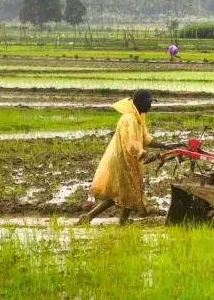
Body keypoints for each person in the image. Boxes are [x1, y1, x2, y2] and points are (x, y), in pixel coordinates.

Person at [77, 89, 181, 225]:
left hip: (131, 159)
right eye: (149, 103)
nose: (150, 106)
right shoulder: (129, 119)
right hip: (122, 160)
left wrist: (166, 146)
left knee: (123, 193)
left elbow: (146, 139)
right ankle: (120, 222)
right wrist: (146, 154)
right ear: (140, 103)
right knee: (128, 192)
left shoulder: (139, 117)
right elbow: (131, 144)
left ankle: (91, 217)